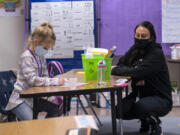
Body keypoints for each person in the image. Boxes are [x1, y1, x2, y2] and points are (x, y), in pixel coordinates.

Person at [111, 21, 172, 135]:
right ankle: (145, 119)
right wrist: (134, 71)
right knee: (118, 112)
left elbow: (137, 71)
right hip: (141, 95)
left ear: (151, 37)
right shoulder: (135, 49)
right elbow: (121, 64)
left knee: (141, 106)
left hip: (161, 99)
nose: (139, 38)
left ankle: (153, 121)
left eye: (143, 36)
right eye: (137, 35)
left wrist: (130, 71)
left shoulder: (156, 53)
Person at [6, 22, 65, 120]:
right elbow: (32, 80)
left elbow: (45, 76)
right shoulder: (26, 57)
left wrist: (52, 88)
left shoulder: (41, 56)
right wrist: (55, 81)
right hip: (20, 100)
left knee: (54, 109)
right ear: (36, 42)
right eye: (45, 48)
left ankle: (46, 130)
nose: (46, 51)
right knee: (31, 122)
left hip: (34, 98)